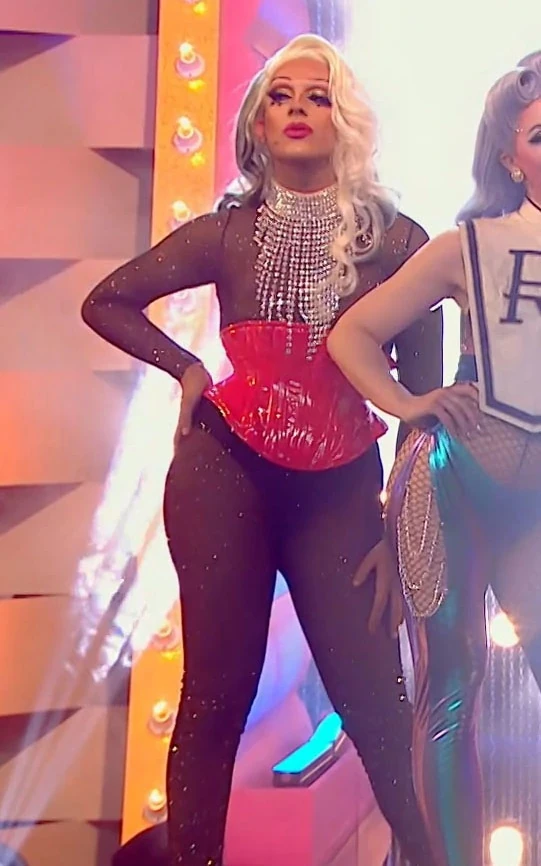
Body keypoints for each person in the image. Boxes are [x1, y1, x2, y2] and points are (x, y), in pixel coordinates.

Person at [81, 34, 442, 866]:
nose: (298, 110)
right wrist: (186, 367)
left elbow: (419, 409)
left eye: (317, 97)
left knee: (376, 702)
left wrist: (400, 527)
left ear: (343, 119)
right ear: (256, 123)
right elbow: (107, 301)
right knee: (213, 698)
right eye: (281, 97)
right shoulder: (225, 233)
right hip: (222, 473)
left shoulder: (398, 244)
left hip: (340, 488)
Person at [327, 53, 541, 866]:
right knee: (450, 691)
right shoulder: (466, 246)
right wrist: (407, 403)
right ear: (508, 156)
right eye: (538, 135)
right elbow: (353, 334)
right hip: (451, 481)